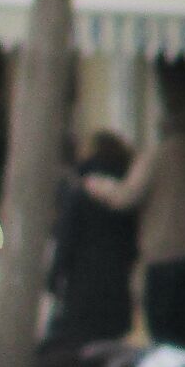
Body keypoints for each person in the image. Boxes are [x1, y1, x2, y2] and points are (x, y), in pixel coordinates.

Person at [86, 62, 185, 348]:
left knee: (162, 333)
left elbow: (126, 198)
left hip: (162, 257)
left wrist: (98, 186)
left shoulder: (157, 157)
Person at [44, 131, 138, 348]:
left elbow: (67, 238)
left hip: (83, 283)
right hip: (117, 283)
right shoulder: (127, 192)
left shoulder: (80, 191)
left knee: (81, 346)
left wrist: (54, 277)